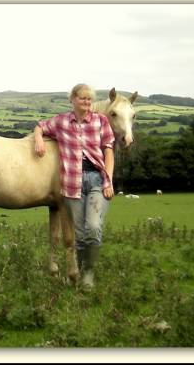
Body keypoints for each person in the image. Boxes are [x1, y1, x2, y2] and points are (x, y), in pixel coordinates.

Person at [34, 83, 115, 289]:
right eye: (83, 98)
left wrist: (109, 180)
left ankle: (88, 273)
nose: (87, 102)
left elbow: (108, 151)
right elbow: (40, 126)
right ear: (73, 99)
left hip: (97, 180)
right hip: (72, 185)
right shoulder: (61, 121)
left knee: (94, 228)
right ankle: (79, 274)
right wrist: (39, 140)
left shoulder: (101, 121)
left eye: (89, 99)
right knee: (79, 233)